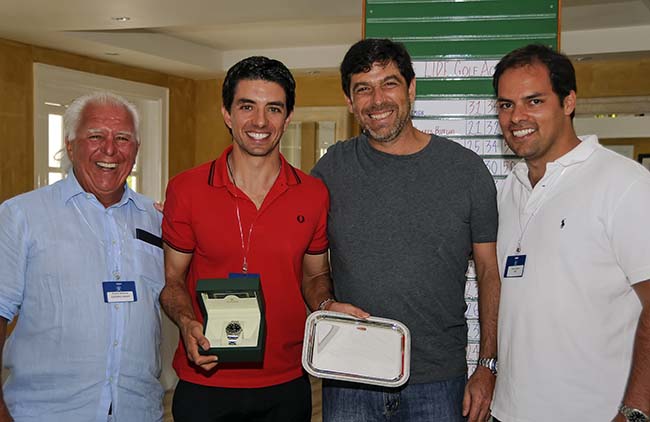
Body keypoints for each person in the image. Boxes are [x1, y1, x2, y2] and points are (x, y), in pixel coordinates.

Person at [160, 56, 363, 422]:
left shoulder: (313, 193)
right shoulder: (186, 189)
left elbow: (315, 276)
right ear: (227, 113)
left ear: (287, 117)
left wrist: (327, 304)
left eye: (273, 109)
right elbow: (173, 281)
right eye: (247, 107)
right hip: (205, 379)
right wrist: (187, 322)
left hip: (286, 382)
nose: (259, 122)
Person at [311, 38, 500, 422]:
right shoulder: (331, 171)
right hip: (350, 377)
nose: (377, 100)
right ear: (350, 102)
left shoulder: (466, 171)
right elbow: (311, 267)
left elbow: (489, 274)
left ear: (412, 89)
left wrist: (488, 365)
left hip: (438, 382)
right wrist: (325, 306)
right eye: (363, 88)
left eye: (389, 83)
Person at [491, 44, 650, 422]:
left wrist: (636, 411)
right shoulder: (509, 190)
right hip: (508, 412)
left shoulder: (624, 184)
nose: (517, 117)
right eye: (506, 104)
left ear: (568, 102)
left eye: (534, 101)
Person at [0, 92, 165, 421]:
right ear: (70, 145)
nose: (109, 149)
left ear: (136, 150)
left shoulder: (158, 220)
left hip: (138, 411)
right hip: (45, 413)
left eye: (122, 138)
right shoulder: (21, 216)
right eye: (95, 136)